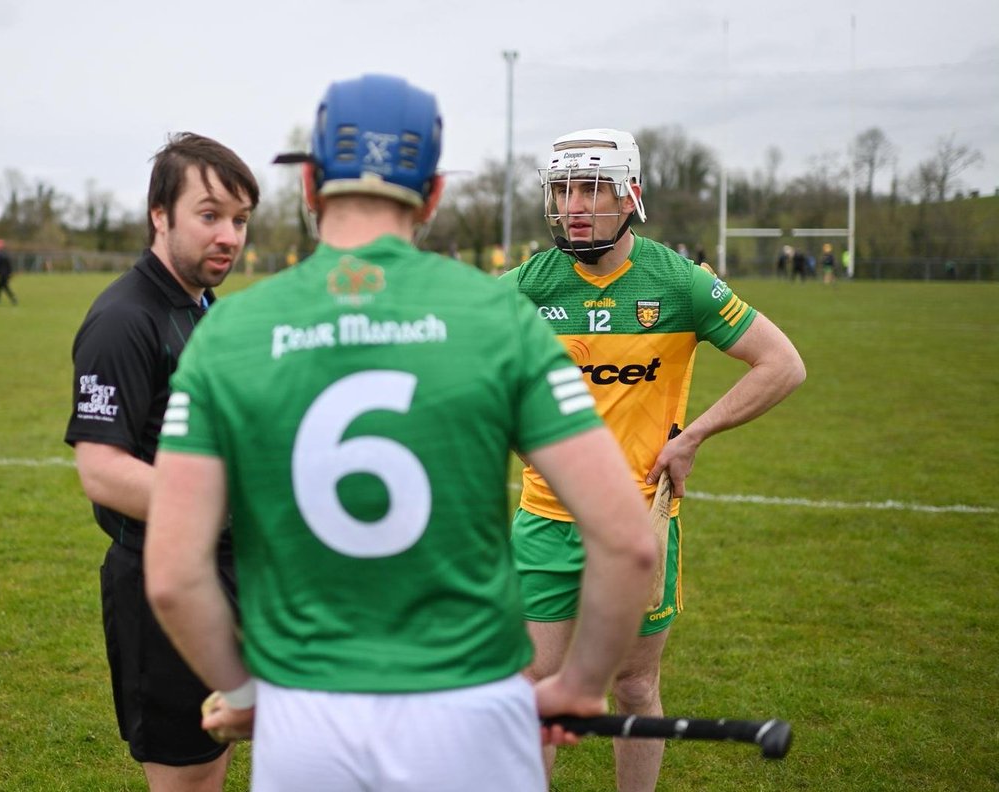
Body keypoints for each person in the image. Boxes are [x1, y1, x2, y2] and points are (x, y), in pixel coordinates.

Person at [144, 75, 657, 792]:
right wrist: (580, 683)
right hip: (475, 715)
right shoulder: (497, 318)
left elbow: (170, 575)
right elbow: (630, 540)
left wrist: (248, 690)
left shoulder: (228, 330)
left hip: (308, 723)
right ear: (436, 192)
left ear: (312, 186)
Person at [501, 128, 806, 792]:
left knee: (636, 685)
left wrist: (693, 435)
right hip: (545, 520)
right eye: (562, 189)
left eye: (590, 189)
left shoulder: (679, 283)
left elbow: (782, 364)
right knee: (530, 690)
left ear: (628, 195)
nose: (573, 204)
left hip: (639, 522)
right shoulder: (528, 284)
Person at [64, 132, 259, 792]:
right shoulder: (125, 319)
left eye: (239, 220)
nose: (229, 236)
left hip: (225, 572)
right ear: (160, 214)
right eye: (209, 215)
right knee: (186, 779)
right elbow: (102, 469)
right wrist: (230, 502)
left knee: (215, 763)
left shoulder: (204, 309)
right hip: (160, 583)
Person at [0, 239, 18, 305]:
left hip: (2, 274)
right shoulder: (5, 254)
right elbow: (9, 265)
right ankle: (12, 299)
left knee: (1, 286)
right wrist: (10, 273)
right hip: (6, 274)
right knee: (3, 286)